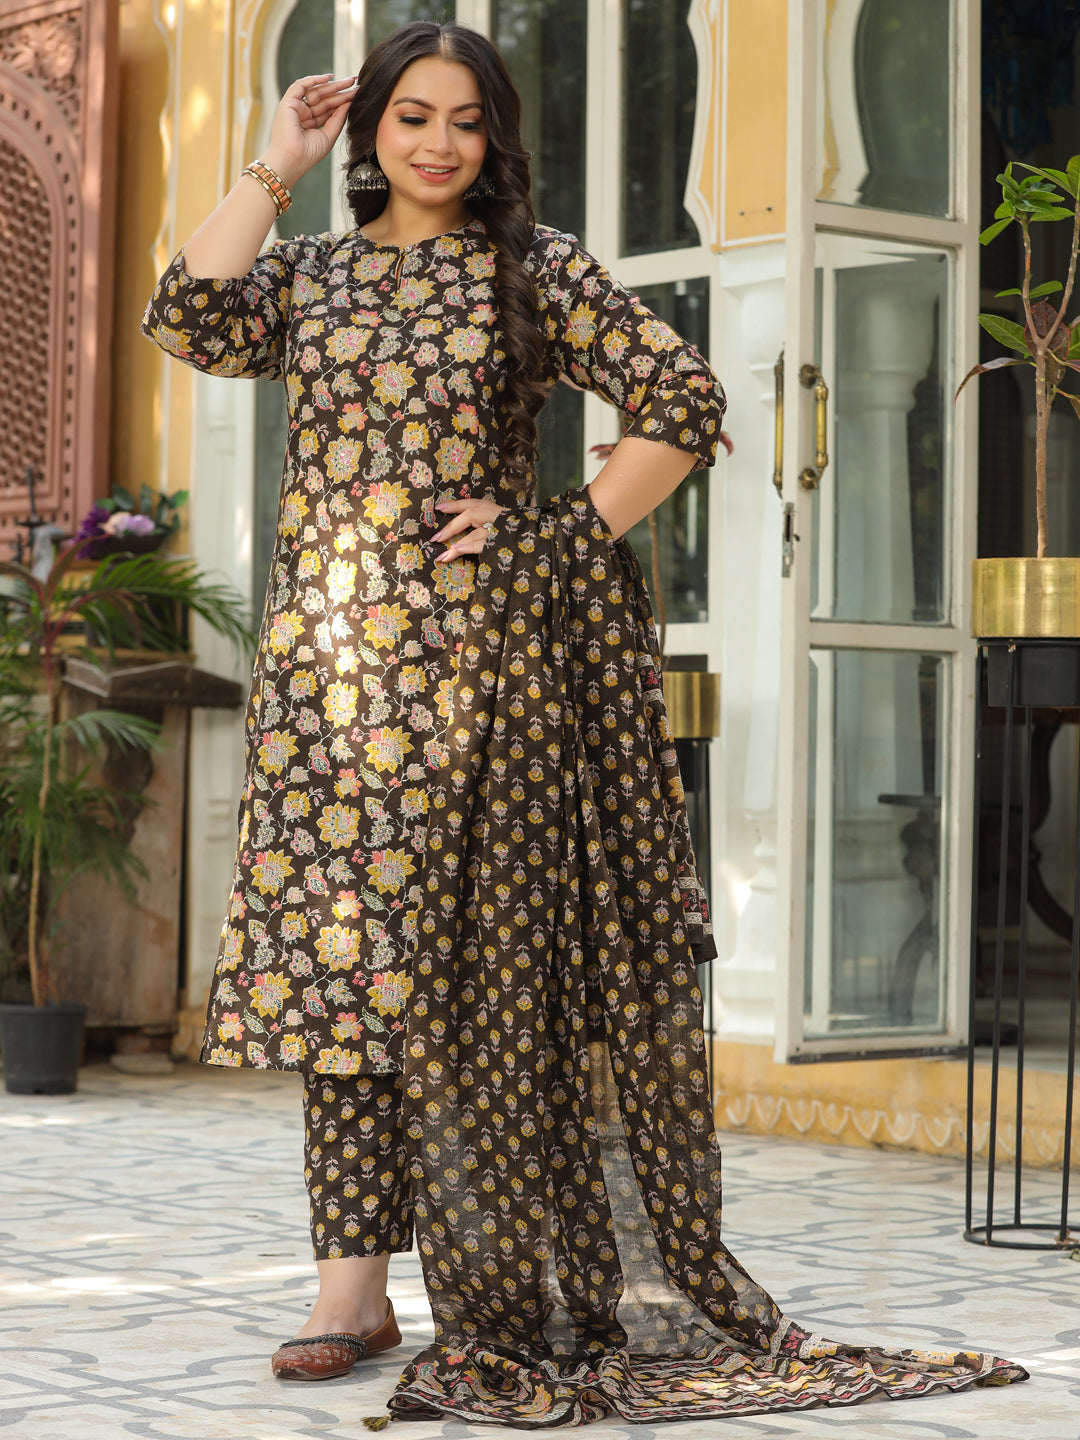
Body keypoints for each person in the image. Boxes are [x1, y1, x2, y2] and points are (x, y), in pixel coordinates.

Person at [143, 20, 1026, 1428]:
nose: (439, 143)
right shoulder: (311, 274)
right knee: (346, 975)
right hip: (327, 688)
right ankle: (348, 1291)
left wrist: (558, 530)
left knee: (468, 982)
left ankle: (491, 1279)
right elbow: (189, 312)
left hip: (476, 680)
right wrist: (275, 162)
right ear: (370, 130)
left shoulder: (532, 267)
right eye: (412, 115)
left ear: (496, 139)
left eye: (466, 120)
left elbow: (683, 394)